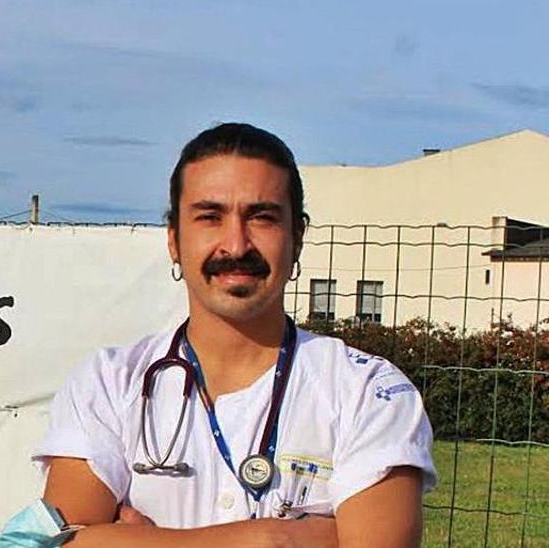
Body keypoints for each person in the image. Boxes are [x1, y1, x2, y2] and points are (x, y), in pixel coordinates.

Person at [26, 123, 435, 547]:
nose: (236, 245)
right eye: (210, 217)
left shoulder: (368, 392)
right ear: (173, 240)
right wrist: (276, 538)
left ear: (297, 238)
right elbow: (52, 544)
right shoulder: (109, 383)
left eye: (262, 217)